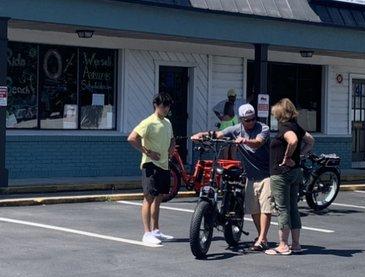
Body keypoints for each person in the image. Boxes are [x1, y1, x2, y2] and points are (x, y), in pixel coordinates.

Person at [191, 103, 272, 251]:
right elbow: (218, 134)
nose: (251, 122)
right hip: (251, 176)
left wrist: (245, 140)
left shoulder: (263, 128)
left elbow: (258, 143)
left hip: (266, 174)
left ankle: (262, 239)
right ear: (241, 119)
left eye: (253, 118)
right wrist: (201, 135)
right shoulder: (236, 129)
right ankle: (262, 237)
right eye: (247, 120)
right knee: (253, 208)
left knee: (265, 207)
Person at [266, 98, 314, 256]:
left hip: (281, 173)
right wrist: (300, 155)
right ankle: (296, 244)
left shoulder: (285, 127)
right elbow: (310, 140)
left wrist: (287, 157)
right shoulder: (296, 126)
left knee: (283, 208)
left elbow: (292, 140)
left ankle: (283, 245)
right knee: (293, 207)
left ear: (280, 113)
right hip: (295, 172)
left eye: (275, 114)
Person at [127, 93, 176, 246]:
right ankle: (146, 233)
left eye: (168, 106)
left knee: (159, 197)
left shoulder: (167, 122)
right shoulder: (148, 122)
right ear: (156, 105)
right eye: (163, 106)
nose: (166, 109)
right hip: (150, 165)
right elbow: (132, 138)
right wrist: (147, 152)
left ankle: (155, 230)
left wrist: (172, 147)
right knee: (149, 197)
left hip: (164, 164)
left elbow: (172, 138)